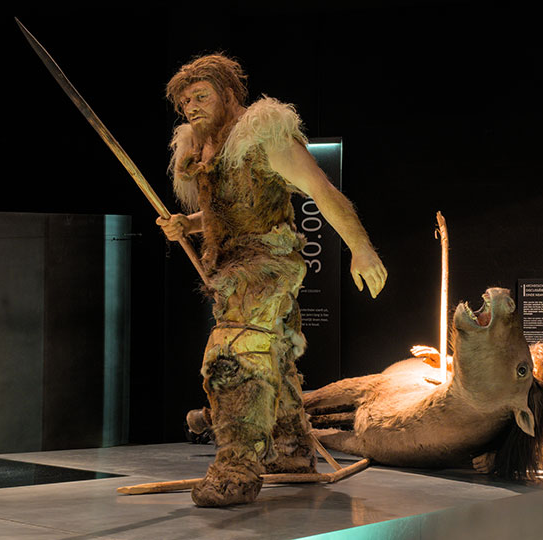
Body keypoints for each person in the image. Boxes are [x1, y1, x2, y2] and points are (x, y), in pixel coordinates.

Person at [157, 53, 387, 506]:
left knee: (234, 355)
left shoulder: (264, 134)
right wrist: (189, 223)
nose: (191, 108)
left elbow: (321, 189)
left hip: (266, 265)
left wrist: (361, 249)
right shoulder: (204, 147)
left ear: (228, 94)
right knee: (274, 357)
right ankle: (290, 452)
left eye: (201, 96)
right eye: (185, 102)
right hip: (228, 271)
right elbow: (228, 210)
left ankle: (236, 471)